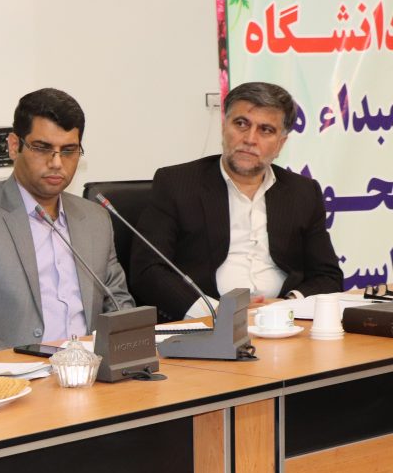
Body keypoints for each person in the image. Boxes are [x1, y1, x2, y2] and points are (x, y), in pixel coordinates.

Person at [0, 88, 133, 356]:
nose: (56, 162)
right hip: (13, 372)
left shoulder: (96, 218)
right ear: (14, 146)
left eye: (69, 151)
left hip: (88, 369)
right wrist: (17, 365)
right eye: (42, 148)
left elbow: (119, 305)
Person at [130, 81, 342, 322]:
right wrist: (216, 312)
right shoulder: (177, 183)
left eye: (266, 130)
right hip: (207, 322)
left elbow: (328, 276)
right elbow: (148, 269)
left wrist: (287, 306)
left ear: (281, 143)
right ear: (224, 127)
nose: (250, 139)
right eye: (241, 124)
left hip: (281, 321)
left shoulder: (303, 192)